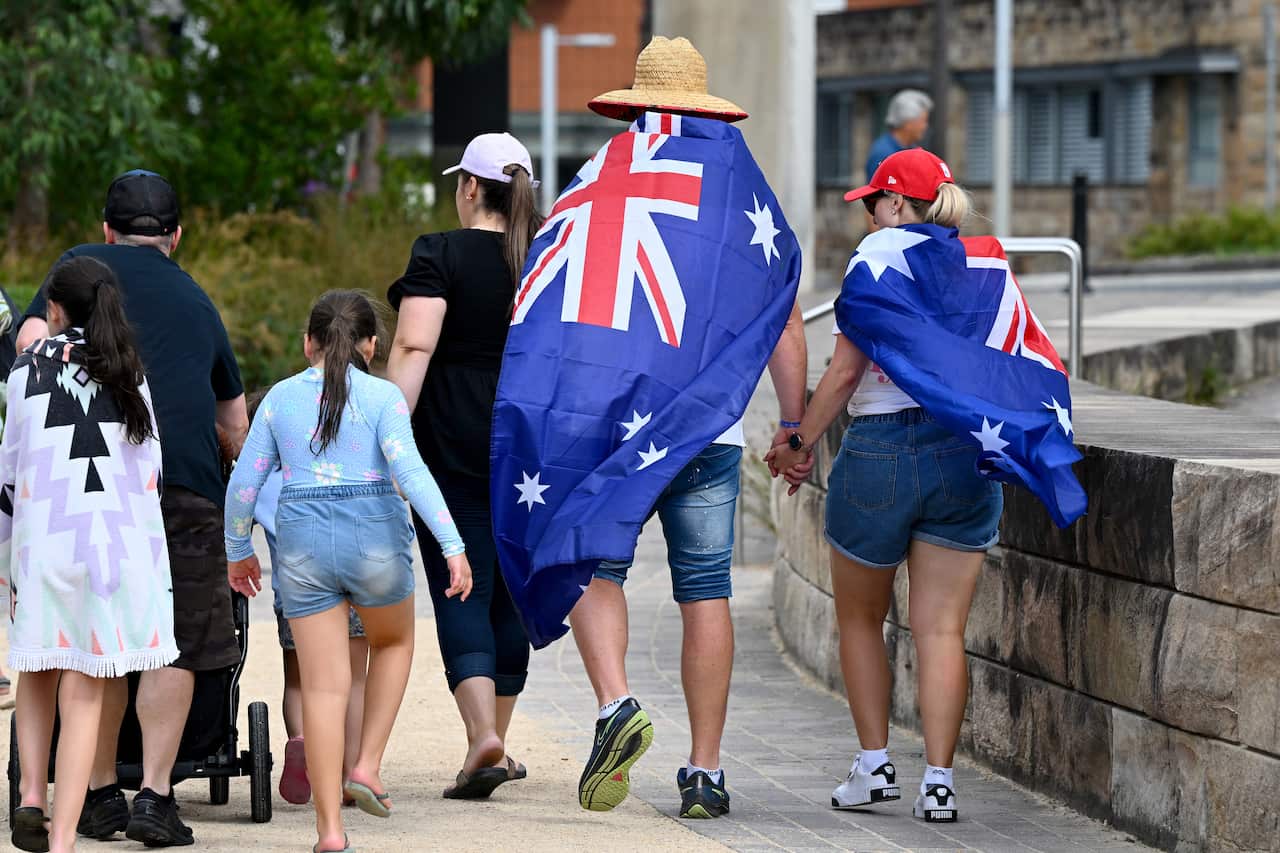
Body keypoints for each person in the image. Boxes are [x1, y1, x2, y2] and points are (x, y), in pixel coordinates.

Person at [521, 36, 810, 820]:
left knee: (591, 559)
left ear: (636, 107)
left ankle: (616, 702)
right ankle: (704, 770)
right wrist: (794, 424)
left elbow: (556, 300)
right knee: (705, 591)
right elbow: (782, 319)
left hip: (615, 428)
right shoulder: (735, 192)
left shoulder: (597, 182)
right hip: (707, 432)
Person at [766, 148, 1003, 824]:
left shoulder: (878, 257)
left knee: (860, 620)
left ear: (897, 203)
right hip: (964, 449)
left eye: (874, 203)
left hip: (881, 449)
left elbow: (846, 373)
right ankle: (939, 784)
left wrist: (798, 443)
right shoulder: (984, 259)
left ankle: (874, 768)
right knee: (941, 629)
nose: (868, 216)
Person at [16, 169, 248, 847]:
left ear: (106, 229)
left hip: (82, 493)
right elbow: (233, 423)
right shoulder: (198, 299)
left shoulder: (77, 269)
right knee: (173, 639)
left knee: (101, 641)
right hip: (182, 488)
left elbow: (29, 342)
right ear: (177, 235)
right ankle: (155, 793)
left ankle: (97, 794)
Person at [225, 290, 473, 853]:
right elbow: (411, 472)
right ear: (371, 345)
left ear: (307, 343)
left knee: (321, 687)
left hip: (303, 544)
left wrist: (238, 549)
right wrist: (453, 546)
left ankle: (330, 832)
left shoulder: (280, 400)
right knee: (393, 643)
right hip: (374, 537)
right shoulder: (384, 398)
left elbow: (244, 484)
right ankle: (366, 765)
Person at [3, 257, 178, 853]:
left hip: (46, 542)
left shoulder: (27, 371)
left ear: (53, 310)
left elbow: (10, 472)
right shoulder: (129, 371)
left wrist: (5, 555)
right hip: (111, 551)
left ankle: (32, 795)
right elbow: (153, 474)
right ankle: (63, 842)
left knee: (36, 663)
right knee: (83, 692)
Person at [386, 132, 540, 799]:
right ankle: (496, 739)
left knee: (461, 580)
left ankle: (482, 738)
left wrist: (387, 437)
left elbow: (413, 346)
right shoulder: (547, 255)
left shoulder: (439, 252)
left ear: (470, 187)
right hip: (532, 442)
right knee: (509, 588)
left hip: (452, 436)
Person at [243, 401, 370, 807]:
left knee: (299, 682)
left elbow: (236, 521)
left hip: (295, 596)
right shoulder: (340, 469)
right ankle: (349, 774)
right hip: (352, 588)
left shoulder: (263, 483)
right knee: (354, 681)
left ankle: (301, 740)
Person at [865, 89, 933, 182]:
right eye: (923, 121)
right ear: (908, 122)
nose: (925, 126)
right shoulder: (882, 154)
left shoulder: (912, 149)